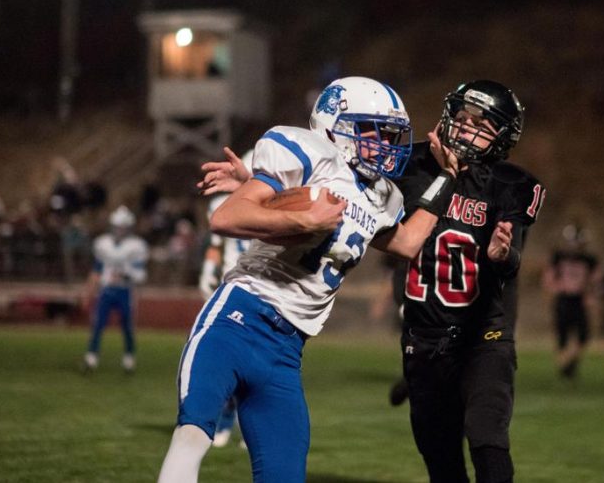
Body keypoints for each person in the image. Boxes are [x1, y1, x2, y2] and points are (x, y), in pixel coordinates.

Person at [158, 76, 458, 483]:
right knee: (193, 434)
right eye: (373, 131)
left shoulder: (383, 196)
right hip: (237, 319)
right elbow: (225, 217)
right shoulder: (307, 152)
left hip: (287, 350)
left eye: (390, 135)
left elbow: (406, 242)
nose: (385, 145)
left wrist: (448, 180)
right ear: (336, 125)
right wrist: (294, 210)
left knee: (285, 473)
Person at [394, 80, 544, 483]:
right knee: (440, 458)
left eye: (481, 125)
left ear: (502, 137)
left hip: (483, 337)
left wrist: (502, 255)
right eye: (461, 119)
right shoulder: (411, 164)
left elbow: (510, 261)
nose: (465, 129)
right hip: (422, 336)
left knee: (486, 434)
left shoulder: (511, 183)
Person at [197, 149, 254, 448]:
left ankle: (251, 427)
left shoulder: (277, 199)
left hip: (262, 287)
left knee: (257, 364)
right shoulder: (222, 201)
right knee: (227, 360)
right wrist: (208, 269)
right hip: (231, 283)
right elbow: (216, 243)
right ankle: (227, 418)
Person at [82, 205, 148, 373]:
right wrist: (89, 291)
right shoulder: (102, 243)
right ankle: (91, 356)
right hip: (106, 289)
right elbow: (96, 270)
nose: (120, 230)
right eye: (117, 227)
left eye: (123, 227)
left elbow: (141, 274)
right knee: (98, 323)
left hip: (125, 290)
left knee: (127, 325)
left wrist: (126, 275)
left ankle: (129, 356)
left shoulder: (136, 246)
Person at [544, 224, 598, 379]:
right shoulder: (559, 257)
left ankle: (569, 363)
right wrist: (553, 289)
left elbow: (595, 279)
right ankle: (564, 366)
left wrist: (590, 295)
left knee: (583, 334)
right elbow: (549, 277)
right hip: (563, 298)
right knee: (562, 334)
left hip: (579, 299)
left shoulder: (589, 260)